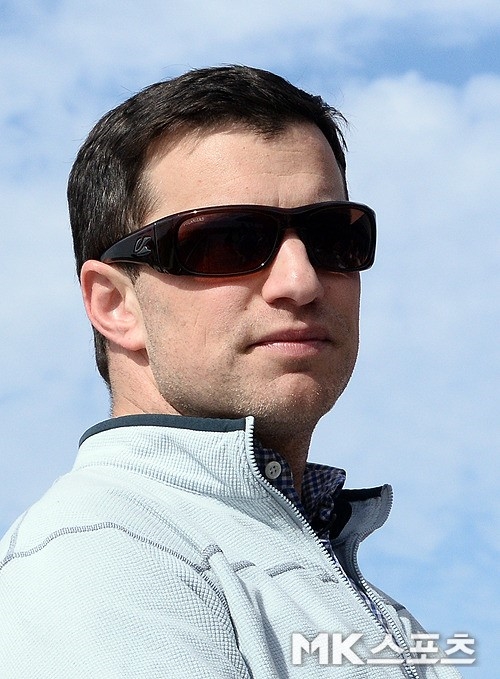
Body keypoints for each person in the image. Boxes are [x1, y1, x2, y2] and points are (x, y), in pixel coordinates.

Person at [0, 65, 462, 678]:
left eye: (332, 237)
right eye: (229, 241)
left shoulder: (386, 619)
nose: (300, 281)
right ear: (115, 304)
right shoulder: (103, 552)